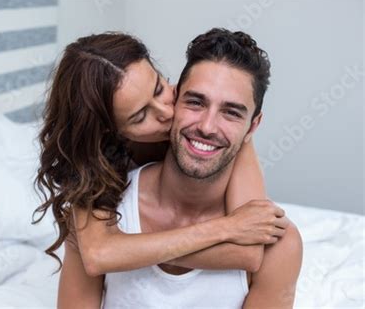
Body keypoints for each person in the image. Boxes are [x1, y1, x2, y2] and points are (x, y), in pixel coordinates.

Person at [33, 31, 291, 308]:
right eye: (140, 115)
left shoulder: (229, 138)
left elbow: (250, 253)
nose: (168, 113)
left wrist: (131, 251)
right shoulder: (95, 167)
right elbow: (98, 254)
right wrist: (225, 228)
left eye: (159, 89)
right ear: (112, 130)